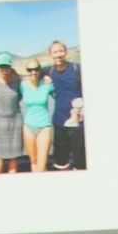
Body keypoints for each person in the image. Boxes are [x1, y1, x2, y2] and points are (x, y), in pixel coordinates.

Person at [44, 40, 84, 170]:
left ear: (66, 52)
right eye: (55, 52)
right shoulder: (48, 71)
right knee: (60, 162)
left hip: (79, 123)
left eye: (61, 51)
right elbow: (31, 72)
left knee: (80, 161)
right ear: (50, 55)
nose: (58, 55)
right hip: (59, 121)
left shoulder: (77, 69)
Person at [19, 57, 56, 173]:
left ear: (40, 70)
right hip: (28, 126)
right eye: (30, 70)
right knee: (34, 161)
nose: (33, 72)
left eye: (35, 69)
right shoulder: (23, 86)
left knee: (42, 163)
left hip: (44, 126)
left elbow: (60, 97)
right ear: (27, 71)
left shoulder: (47, 85)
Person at [0, 53, 24, 172]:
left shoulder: (17, 80)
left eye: (6, 65)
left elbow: (20, 96)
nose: (4, 68)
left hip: (15, 121)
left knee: (14, 156)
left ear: (10, 66)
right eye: (1, 66)